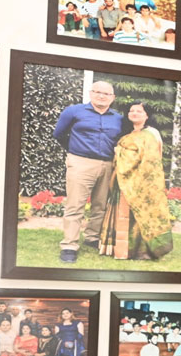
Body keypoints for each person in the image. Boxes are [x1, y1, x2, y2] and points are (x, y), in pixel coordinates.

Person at [51, 81, 124, 263]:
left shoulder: (119, 119)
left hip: (108, 164)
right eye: (97, 92)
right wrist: (76, 151)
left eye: (106, 94)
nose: (101, 96)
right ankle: (69, 245)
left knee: (101, 205)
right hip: (81, 163)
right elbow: (59, 134)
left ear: (113, 98)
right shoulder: (74, 112)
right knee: (75, 205)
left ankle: (92, 237)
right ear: (90, 93)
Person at [98, 102, 174, 260]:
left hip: (140, 181)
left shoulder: (150, 134)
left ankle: (138, 251)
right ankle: (118, 248)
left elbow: (150, 159)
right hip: (123, 181)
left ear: (147, 115)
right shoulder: (128, 133)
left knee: (139, 214)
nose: (134, 113)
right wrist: (120, 152)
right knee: (122, 212)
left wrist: (120, 152)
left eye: (139, 111)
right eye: (131, 111)